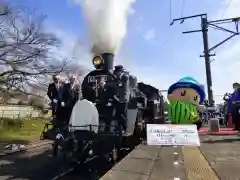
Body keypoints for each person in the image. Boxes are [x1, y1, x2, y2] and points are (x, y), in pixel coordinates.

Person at [113, 65, 130, 132]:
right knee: (118, 114)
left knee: (123, 114)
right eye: (116, 72)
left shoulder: (125, 77)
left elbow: (125, 89)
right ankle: (119, 127)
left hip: (123, 99)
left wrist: (121, 99)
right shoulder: (117, 78)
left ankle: (124, 128)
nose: (116, 73)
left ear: (120, 71)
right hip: (117, 99)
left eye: (117, 72)